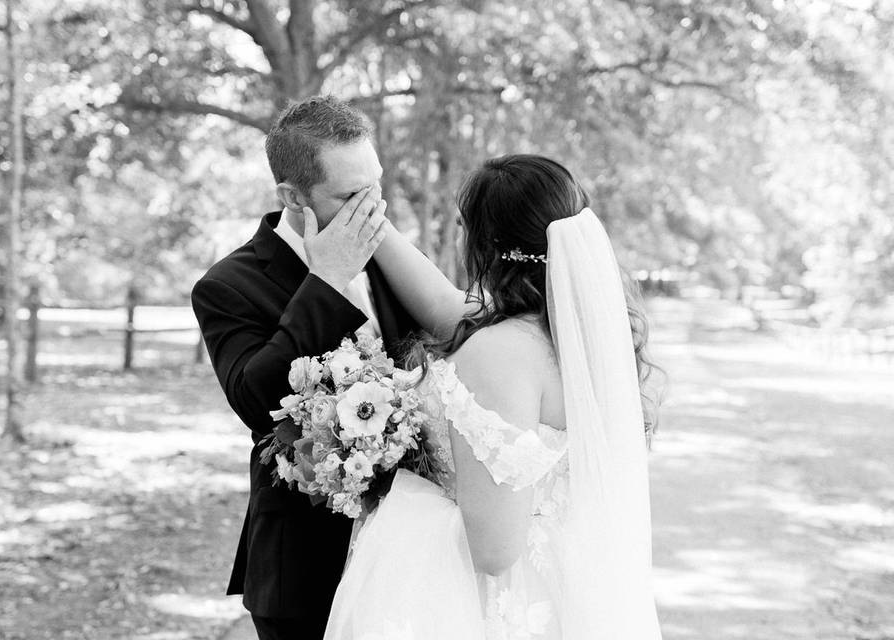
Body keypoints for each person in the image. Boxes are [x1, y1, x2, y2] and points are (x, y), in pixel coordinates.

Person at [324, 154, 663, 639]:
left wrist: (405, 491)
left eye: (465, 227)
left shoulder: (497, 353)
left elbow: (495, 549)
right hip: (566, 585)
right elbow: (443, 304)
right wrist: (373, 220)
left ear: (487, 242)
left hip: (495, 604)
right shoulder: (575, 333)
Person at [191, 95, 418, 640]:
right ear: (293, 197)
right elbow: (257, 399)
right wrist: (328, 281)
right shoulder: (227, 285)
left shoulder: (391, 255)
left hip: (409, 555)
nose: (372, 209)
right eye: (349, 195)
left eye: (376, 187)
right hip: (304, 566)